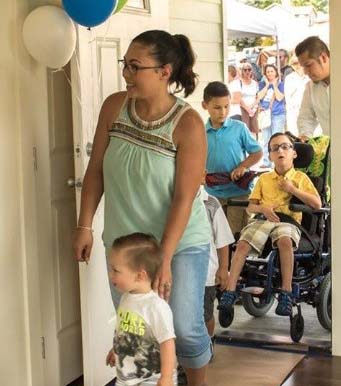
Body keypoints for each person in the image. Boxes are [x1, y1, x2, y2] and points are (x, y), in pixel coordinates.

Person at [72, 30, 212, 386]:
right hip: (125, 246)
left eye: (136, 67)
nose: (126, 74)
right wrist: (84, 225)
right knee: (136, 328)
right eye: (126, 65)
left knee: (184, 327)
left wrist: (163, 258)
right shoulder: (113, 107)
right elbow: (96, 172)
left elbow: (184, 197)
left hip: (179, 243)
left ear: (165, 72)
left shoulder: (189, 124)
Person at [218, 133, 321, 316]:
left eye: (285, 146)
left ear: (294, 153)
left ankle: (286, 293)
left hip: (287, 222)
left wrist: (293, 189)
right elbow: (251, 207)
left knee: (284, 242)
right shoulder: (264, 179)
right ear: (270, 156)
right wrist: (262, 208)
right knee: (242, 244)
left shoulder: (301, 178)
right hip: (263, 220)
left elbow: (317, 204)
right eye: (275, 148)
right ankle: (230, 291)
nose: (280, 150)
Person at [105, 233, 176, 386]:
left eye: (116, 270)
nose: (111, 275)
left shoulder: (156, 307)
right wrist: (116, 350)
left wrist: (167, 377)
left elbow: (167, 344)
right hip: (126, 376)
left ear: (140, 276)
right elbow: (124, 331)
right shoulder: (126, 298)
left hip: (151, 378)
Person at [202, 81, 263, 235]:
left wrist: (243, 166)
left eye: (226, 106)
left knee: (235, 236)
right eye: (217, 107)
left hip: (238, 193)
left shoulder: (239, 128)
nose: (222, 111)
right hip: (212, 194)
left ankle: (234, 260)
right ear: (205, 105)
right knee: (215, 236)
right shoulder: (200, 133)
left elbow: (257, 152)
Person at [201, 185, 234, 349]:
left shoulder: (211, 204)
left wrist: (223, 268)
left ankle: (208, 343)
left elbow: (223, 241)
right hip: (180, 273)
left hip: (207, 272)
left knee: (205, 313)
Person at [295, 36, 330, 141]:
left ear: (323, 58)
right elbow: (306, 117)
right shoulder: (310, 87)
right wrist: (304, 136)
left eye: (308, 65)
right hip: (331, 150)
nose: (305, 72)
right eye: (303, 67)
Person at [258, 64, 286, 168]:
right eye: (268, 71)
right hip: (265, 114)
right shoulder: (262, 84)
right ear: (265, 74)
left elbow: (279, 97)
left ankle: (276, 162)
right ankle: (266, 161)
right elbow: (259, 96)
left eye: (272, 71)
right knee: (266, 139)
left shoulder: (281, 84)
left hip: (278, 114)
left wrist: (274, 85)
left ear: (276, 72)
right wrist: (266, 85)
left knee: (277, 139)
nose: (270, 73)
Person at [284, 56, 310, 136]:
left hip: (308, 111)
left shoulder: (309, 76)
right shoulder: (289, 78)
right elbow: (287, 97)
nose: (297, 66)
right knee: (295, 135)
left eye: (298, 63)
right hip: (294, 111)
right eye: (294, 64)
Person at [239, 62, 260, 135]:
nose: (247, 71)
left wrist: (252, 107)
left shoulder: (255, 83)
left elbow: (258, 96)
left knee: (254, 128)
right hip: (243, 109)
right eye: (245, 70)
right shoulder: (239, 82)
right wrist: (247, 109)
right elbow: (239, 98)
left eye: (249, 69)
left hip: (254, 109)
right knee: (245, 128)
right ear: (242, 71)